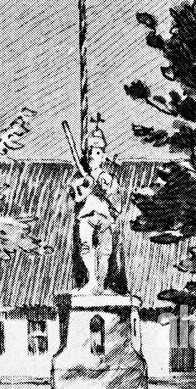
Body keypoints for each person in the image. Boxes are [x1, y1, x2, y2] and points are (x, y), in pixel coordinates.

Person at [68, 120, 120, 293]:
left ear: (103, 156)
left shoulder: (108, 177)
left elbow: (113, 197)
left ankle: (102, 284)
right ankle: (91, 281)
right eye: (89, 152)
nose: (92, 156)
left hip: (104, 217)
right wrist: (85, 185)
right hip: (87, 217)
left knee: (105, 252)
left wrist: (101, 185)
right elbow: (77, 197)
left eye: (96, 152)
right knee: (86, 248)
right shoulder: (80, 179)